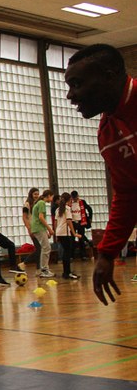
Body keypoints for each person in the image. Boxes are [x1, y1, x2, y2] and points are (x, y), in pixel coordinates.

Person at [65, 44, 136, 304]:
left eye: (77, 84)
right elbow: (128, 194)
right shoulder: (107, 135)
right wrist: (106, 254)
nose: (70, 95)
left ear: (109, 76)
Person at [54, 193, 79, 280]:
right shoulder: (67, 209)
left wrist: (55, 233)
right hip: (65, 233)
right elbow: (69, 221)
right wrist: (74, 233)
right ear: (69, 200)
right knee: (67, 252)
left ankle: (66, 272)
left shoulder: (57, 209)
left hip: (59, 232)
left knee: (65, 251)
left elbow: (55, 222)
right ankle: (67, 272)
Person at [30, 190, 55, 278]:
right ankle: (44, 270)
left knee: (45, 247)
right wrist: (49, 229)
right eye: (52, 197)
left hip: (38, 228)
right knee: (46, 248)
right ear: (48, 196)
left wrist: (46, 231)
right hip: (38, 228)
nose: (52, 199)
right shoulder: (41, 203)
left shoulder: (39, 203)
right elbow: (41, 217)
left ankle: (43, 269)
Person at [22, 187, 41, 268]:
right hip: (32, 228)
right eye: (35, 194)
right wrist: (29, 228)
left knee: (39, 248)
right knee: (39, 248)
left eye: (38, 194)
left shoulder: (38, 204)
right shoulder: (27, 204)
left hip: (38, 228)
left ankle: (39, 267)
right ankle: (24, 263)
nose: (36, 196)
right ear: (31, 194)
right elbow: (24, 217)